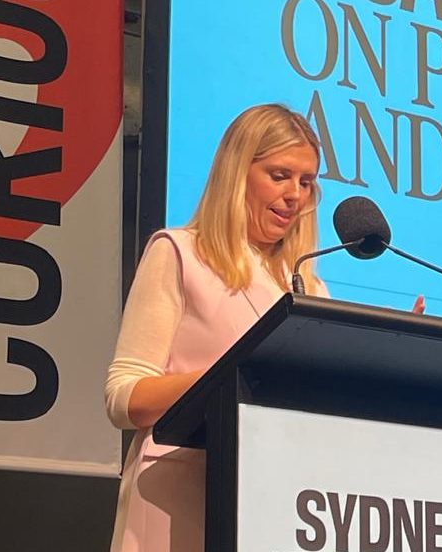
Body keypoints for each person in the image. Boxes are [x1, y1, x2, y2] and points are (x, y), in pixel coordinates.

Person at [103, 103, 334, 552]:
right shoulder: (179, 253)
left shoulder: (307, 286)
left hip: (275, 502)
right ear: (237, 172)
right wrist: (226, 379)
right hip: (178, 499)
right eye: (280, 175)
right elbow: (122, 396)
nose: (295, 195)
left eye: (306, 182)